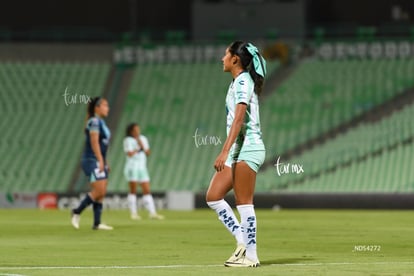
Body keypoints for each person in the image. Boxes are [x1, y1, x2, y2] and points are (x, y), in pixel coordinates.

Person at [206, 41, 266, 267]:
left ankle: (251, 256)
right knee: (213, 196)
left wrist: (223, 152)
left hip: (248, 147)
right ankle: (242, 241)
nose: (222, 58)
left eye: (225, 54)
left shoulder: (243, 81)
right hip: (238, 150)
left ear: (235, 60)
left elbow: (240, 119)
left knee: (244, 203)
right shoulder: (236, 83)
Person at [71, 97, 113, 230]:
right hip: (91, 160)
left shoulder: (101, 122)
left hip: (99, 160)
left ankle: (97, 223)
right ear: (97, 108)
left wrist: (105, 162)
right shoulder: (94, 121)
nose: (108, 108)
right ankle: (76, 211)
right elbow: (94, 142)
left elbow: (103, 145)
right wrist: (100, 160)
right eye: (105, 105)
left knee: (102, 192)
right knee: (99, 190)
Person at [124, 123, 164, 220]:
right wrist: (138, 147)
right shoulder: (128, 140)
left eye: (138, 129)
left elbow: (148, 152)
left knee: (147, 190)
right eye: (136, 129)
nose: (138, 131)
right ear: (131, 131)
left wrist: (142, 145)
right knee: (133, 190)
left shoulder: (143, 139)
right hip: (132, 167)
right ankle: (133, 213)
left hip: (142, 167)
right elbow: (129, 154)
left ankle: (152, 213)